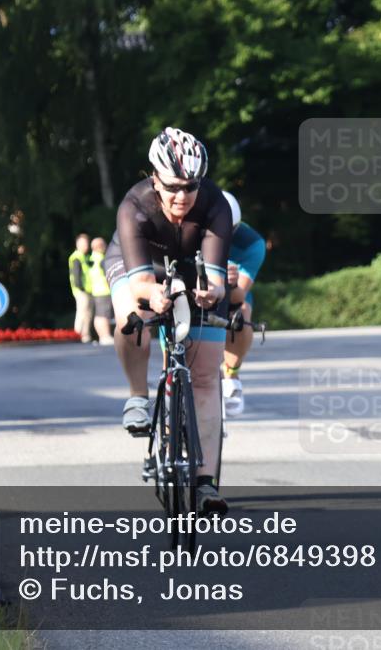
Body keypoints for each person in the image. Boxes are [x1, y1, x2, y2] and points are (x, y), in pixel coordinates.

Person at [103, 127, 231, 516]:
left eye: (190, 187)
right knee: (133, 314)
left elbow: (218, 279)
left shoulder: (215, 204)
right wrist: (154, 295)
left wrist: (211, 294)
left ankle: (206, 483)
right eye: (173, 187)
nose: (182, 197)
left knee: (207, 374)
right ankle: (138, 396)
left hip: (192, 266)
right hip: (139, 262)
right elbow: (141, 283)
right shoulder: (134, 206)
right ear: (154, 178)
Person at [220, 191, 266, 417]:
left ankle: (231, 373)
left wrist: (228, 284)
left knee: (242, 313)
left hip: (232, 292)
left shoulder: (252, 243)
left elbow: (239, 295)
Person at [87, 237, 114, 345]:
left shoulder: (91, 258)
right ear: (101, 247)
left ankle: (102, 336)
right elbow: (107, 275)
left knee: (99, 315)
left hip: (95, 290)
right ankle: (105, 336)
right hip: (104, 290)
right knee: (104, 315)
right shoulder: (102, 259)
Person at [68, 234, 93, 344]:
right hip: (81, 290)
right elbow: (76, 274)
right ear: (77, 244)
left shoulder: (85, 257)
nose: (85, 245)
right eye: (83, 243)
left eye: (86, 243)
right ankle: (77, 335)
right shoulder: (76, 256)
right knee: (82, 313)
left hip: (87, 290)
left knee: (88, 314)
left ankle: (85, 336)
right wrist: (80, 287)